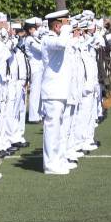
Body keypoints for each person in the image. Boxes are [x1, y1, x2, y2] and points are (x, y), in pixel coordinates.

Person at [40, 10, 76, 175]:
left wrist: (67, 29)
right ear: (56, 26)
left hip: (61, 90)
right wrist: (67, 30)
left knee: (60, 129)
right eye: (64, 23)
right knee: (52, 129)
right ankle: (50, 164)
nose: (67, 26)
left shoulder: (59, 37)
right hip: (52, 92)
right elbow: (61, 44)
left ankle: (59, 159)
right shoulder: (49, 39)